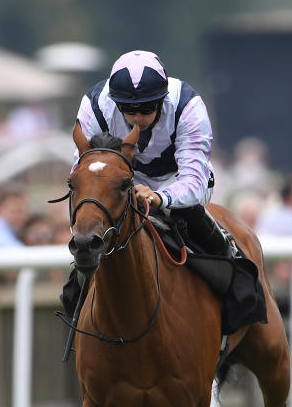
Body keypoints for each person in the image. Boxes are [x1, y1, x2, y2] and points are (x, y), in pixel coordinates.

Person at [74, 50, 221, 254]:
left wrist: (160, 197)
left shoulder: (188, 106)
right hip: (125, 182)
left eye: (147, 108)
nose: (137, 118)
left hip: (179, 179)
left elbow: (194, 181)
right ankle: (76, 284)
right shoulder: (95, 105)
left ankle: (230, 264)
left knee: (184, 211)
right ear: (116, 102)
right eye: (128, 109)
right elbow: (81, 171)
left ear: (162, 101)